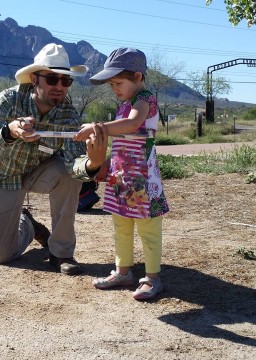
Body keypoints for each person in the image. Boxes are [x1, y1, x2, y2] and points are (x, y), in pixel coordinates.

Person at [0, 43, 108, 275]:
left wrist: (93, 163)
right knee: (1, 255)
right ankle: (28, 225)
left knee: (68, 175)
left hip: (40, 173)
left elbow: (73, 162)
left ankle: (61, 252)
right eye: (52, 79)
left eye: (66, 81)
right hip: (4, 176)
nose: (60, 86)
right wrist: (9, 131)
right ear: (34, 79)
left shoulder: (68, 112)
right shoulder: (8, 100)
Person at [74, 48, 170, 300]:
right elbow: (120, 139)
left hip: (142, 175)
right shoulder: (125, 104)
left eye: (118, 82)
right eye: (111, 84)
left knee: (148, 227)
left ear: (137, 76)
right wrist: (105, 163)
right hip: (121, 174)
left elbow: (132, 125)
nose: (114, 88)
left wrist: (98, 127)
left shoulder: (145, 99)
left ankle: (152, 278)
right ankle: (123, 271)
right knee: (122, 224)